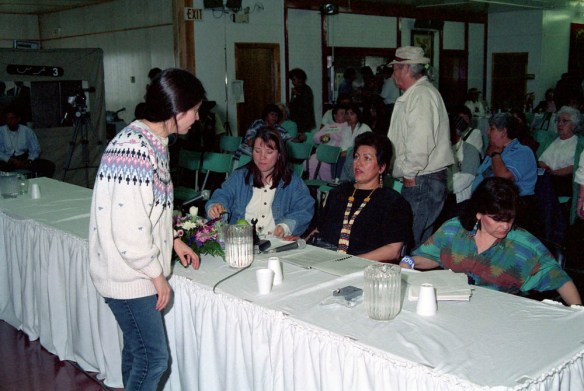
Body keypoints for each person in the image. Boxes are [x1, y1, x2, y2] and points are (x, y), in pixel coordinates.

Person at [88, 68, 202, 390]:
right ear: (177, 110)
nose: (197, 117)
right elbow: (129, 230)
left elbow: (151, 209)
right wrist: (156, 274)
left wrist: (175, 240)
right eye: (194, 110)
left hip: (129, 270)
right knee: (154, 359)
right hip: (129, 275)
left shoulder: (152, 140)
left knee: (137, 353)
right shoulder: (136, 150)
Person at [403, 177, 582, 306]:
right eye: (497, 219)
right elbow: (433, 256)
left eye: (510, 219)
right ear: (479, 213)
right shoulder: (454, 230)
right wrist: (410, 261)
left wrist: (578, 315)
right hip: (452, 306)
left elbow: (560, 280)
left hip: (499, 314)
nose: (505, 226)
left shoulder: (523, 245)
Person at [302, 132, 412, 261]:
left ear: (381, 167)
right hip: (325, 260)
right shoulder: (339, 192)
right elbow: (318, 231)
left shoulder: (393, 202)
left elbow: (393, 250)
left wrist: (349, 262)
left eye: (367, 158)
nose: (358, 163)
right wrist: (300, 244)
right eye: (356, 157)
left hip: (366, 269)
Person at [387, 46, 454, 247]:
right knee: (419, 244)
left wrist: (409, 173)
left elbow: (420, 141)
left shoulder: (421, 96)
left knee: (408, 241)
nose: (392, 75)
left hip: (421, 180)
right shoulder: (420, 93)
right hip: (425, 179)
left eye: (395, 69)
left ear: (406, 69)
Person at [206, 127, 314, 238]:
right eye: (257, 151)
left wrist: (285, 226)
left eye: (269, 152)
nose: (262, 157)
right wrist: (216, 207)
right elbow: (222, 195)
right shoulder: (239, 177)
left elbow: (305, 209)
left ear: (279, 155)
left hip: (275, 243)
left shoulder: (293, 182)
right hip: (240, 240)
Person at [472, 112, 538, 235]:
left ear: (503, 132)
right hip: (487, 203)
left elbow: (503, 178)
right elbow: (480, 174)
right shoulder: (494, 149)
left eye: (492, 129)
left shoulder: (522, 151)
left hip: (511, 207)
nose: (488, 133)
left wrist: (495, 154)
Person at [538, 106, 581, 196]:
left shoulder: (579, 144)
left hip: (563, 182)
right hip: (546, 178)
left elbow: (576, 166)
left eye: (564, 121)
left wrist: (555, 173)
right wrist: (546, 169)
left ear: (573, 125)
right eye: (558, 121)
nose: (559, 124)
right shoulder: (550, 140)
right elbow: (539, 158)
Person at [0, 108, 55, 178]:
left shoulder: (27, 131)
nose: (9, 121)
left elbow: (35, 149)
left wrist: (29, 160)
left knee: (49, 165)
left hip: (24, 159)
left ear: (18, 119)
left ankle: (41, 184)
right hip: (8, 160)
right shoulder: (1, 131)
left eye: (12, 118)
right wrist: (10, 159)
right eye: (7, 119)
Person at [308, 105, 348, 180]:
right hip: (322, 153)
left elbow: (342, 137)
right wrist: (323, 138)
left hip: (336, 155)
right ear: (335, 115)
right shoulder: (328, 126)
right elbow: (316, 138)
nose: (344, 116)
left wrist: (331, 136)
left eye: (346, 113)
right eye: (342, 113)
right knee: (313, 160)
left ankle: (327, 186)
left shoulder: (347, 126)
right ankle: (313, 185)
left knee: (322, 164)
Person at [288, 68, 316, 133]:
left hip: (304, 122)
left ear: (300, 79)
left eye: (294, 79)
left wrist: (297, 95)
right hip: (295, 121)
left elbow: (305, 106)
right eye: (292, 80)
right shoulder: (296, 89)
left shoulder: (306, 90)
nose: (292, 82)